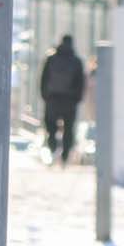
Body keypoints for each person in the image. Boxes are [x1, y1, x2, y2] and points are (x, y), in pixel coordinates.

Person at [40, 33, 88, 164]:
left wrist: (45, 96)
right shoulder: (76, 61)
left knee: (50, 126)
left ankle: (53, 146)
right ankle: (65, 156)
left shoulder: (51, 58)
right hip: (69, 100)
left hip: (52, 99)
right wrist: (77, 99)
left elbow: (44, 78)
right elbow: (80, 82)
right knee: (68, 129)